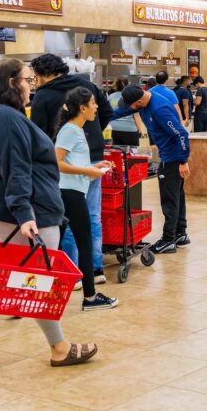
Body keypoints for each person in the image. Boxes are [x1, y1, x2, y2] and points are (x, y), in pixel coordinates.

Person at [0, 59, 98, 372]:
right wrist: (24, 213)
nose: (32, 85)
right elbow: (15, 169)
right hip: (18, 213)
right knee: (38, 280)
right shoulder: (6, 118)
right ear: (13, 82)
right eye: (27, 80)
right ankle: (60, 348)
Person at [30, 54, 112, 286]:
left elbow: (37, 132)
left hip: (62, 162)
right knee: (92, 215)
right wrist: (91, 134)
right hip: (93, 156)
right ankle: (95, 269)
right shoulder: (86, 85)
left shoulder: (44, 95)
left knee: (65, 217)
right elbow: (107, 112)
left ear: (44, 74)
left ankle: (73, 270)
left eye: (36, 76)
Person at [55, 87, 119, 311]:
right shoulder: (70, 130)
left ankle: (47, 293)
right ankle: (90, 298)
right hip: (69, 194)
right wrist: (88, 172)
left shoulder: (77, 130)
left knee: (57, 243)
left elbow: (73, 163)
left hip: (73, 192)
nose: (97, 106)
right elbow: (58, 163)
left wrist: (94, 167)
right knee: (83, 241)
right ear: (82, 108)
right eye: (93, 103)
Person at [114, 84, 190, 254]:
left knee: (169, 199)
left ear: (139, 101)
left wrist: (183, 160)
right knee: (177, 195)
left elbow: (181, 134)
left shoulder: (159, 109)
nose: (130, 109)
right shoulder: (143, 102)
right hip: (168, 155)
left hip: (172, 157)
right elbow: (123, 111)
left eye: (132, 105)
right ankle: (180, 233)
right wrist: (103, 117)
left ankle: (168, 239)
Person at [108, 78, 145, 147]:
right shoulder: (131, 97)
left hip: (113, 129)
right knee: (131, 153)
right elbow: (136, 116)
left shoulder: (110, 97)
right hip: (130, 130)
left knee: (116, 154)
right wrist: (140, 130)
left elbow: (108, 113)